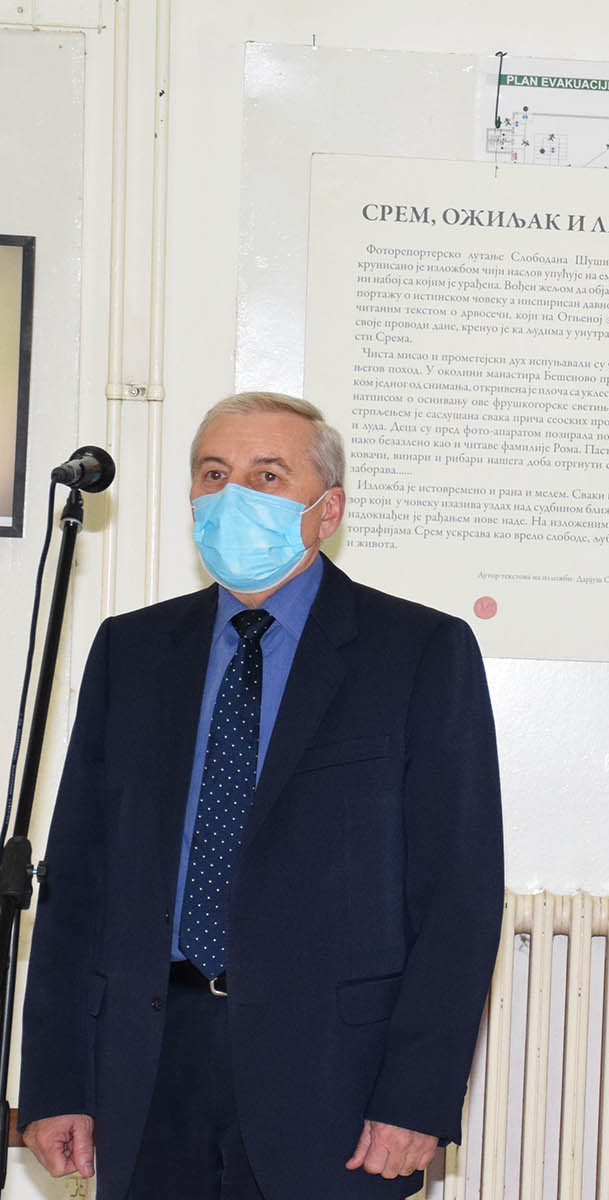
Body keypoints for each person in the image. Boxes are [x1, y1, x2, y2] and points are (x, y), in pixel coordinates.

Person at [19, 393, 505, 1199]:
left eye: (267, 475)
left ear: (328, 511)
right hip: (148, 1066)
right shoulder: (131, 651)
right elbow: (77, 879)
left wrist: (415, 1098)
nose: (233, 495)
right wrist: (56, 1082)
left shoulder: (420, 652)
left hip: (334, 1081)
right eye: (214, 474)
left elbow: (458, 897)